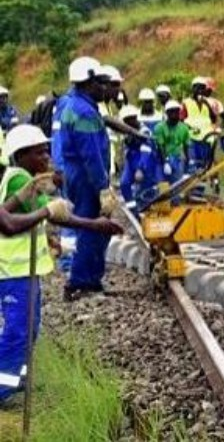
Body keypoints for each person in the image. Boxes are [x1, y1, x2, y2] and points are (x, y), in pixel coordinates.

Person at [0, 125, 122, 403]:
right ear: (21, 155)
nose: (46, 157)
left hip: (24, 271)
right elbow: (51, 215)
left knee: (29, 329)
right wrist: (93, 224)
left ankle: (14, 382)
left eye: (46, 150)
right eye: (39, 152)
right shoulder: (19, 179)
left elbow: (51, 213)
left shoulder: (23, 178)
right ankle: (2, 391)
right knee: (18, 332)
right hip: (13, 272)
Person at [54, 57, 119, 300]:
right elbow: (91, 155)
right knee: (92, 228)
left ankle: (91, 280)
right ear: (88, 82)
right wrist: (102, 188)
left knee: (95, 228)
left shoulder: (78, 105)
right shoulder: (83, 112)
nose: (105, 87)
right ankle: (81, 282)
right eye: (100, 82)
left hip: (78, 174)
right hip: (85, 177)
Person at [118, 105, 159, 214]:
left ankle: (146, 210)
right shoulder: (127, 131)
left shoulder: (144, 131)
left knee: (146, 188)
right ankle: (133, 210)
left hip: (144, 161)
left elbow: (146, 150)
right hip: (131, 161)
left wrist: (140, 169)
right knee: (124, 183)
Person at [181, 77, 217, 178]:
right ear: (193, 89)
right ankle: (191, 190)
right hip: (191, 139)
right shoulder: (186, 102)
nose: (200, 91)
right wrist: (190, 128)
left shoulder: (207, 103)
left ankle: (200, 191)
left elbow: (213, 119)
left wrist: (207, 105)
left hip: (206, 139)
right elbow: (181, 120)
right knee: (193, 165)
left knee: (204, 167)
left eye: (202, 88)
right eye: (198, 88)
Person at [154, 100, 190, 187]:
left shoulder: (184, 128)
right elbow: (160, 146)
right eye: (171, 112)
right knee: (163, 186)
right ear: (167, 113)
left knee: (176, 186)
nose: (174, 114)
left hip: (177, 159)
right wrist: (165, 162)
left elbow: (186, 146)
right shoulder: (160, 128)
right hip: (161, 159)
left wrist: (187, 166)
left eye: (176, 111)